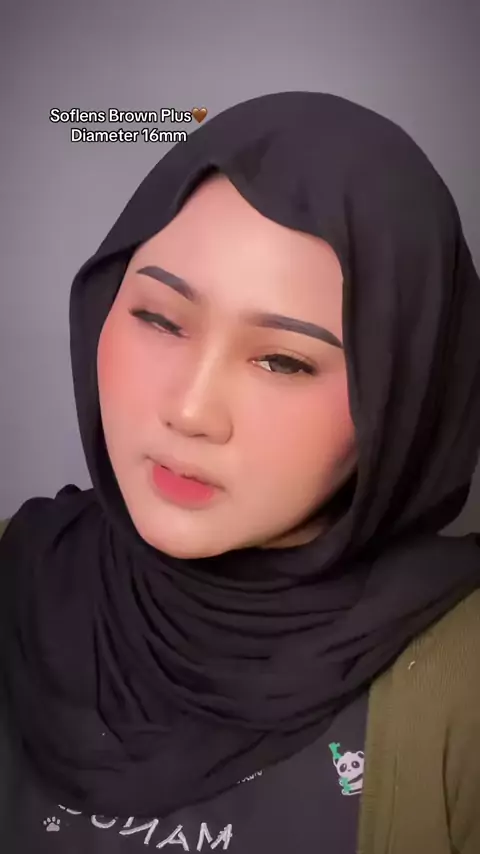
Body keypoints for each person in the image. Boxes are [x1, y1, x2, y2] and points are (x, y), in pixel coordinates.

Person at [0, 91, 479, 853]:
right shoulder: (17, 569)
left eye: (283, 361)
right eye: (160, 318)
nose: (192, 411)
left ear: (403, 398)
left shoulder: (463, 683)